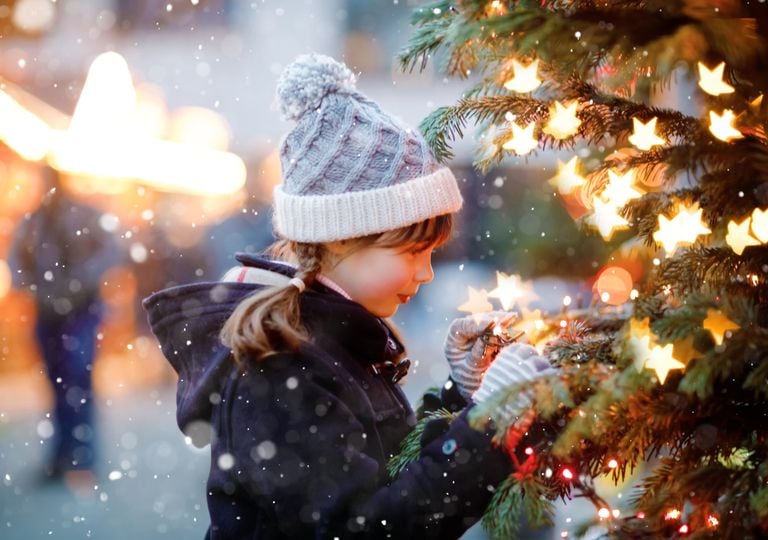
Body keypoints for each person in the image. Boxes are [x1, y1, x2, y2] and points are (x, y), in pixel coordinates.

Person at [143, 54, 553, 539]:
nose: (424, 274)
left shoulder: (327, 340)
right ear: (341, 237)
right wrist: (487, 424)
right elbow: (369, 527)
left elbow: (382, 464)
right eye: (411, 251)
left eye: (433, 254)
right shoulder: (278, 370)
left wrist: (458, 398)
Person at [8, 166, 120, 482]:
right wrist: (36, 289)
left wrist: (76, 285)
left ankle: (81, 458)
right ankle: (63, 455)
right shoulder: (33, 221)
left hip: (80, 311)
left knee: (76, 381)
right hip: (48, 312)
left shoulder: (83, 216)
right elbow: (16, 262)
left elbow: (109, 254)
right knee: (58, 384)